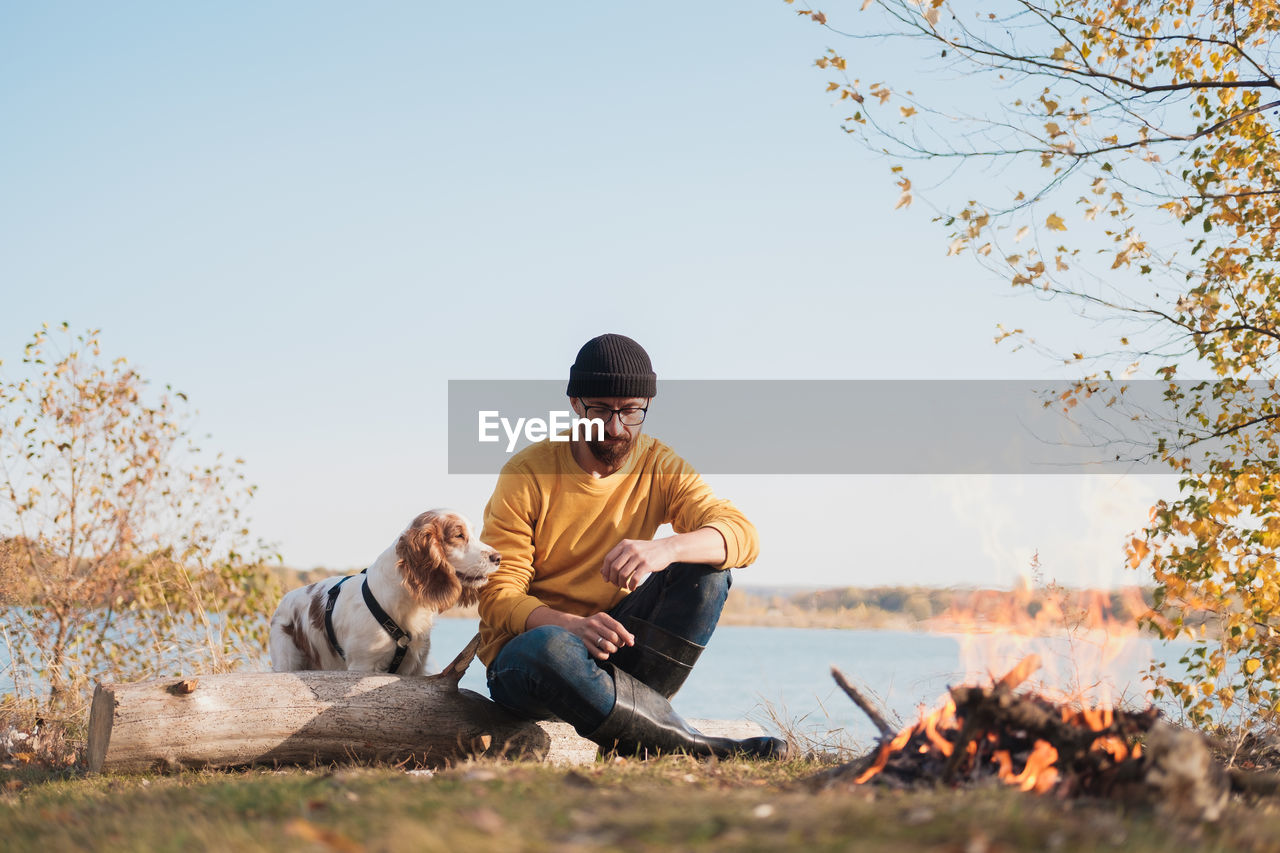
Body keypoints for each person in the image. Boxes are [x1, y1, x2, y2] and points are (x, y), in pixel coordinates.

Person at [477, 333, 788, 759]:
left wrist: (667, 549)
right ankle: (689, 747)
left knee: (707, 574)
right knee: (552, 646)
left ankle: (638, 736)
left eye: (630, 411)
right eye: (600, 409)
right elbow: (496, 597)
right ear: (575, 404)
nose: (615, 427)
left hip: (614, 650)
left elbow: (742, 535)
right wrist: (568, 625)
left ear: (647, 407)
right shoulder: (527, 474)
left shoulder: (659, 464)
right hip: (530, 660)